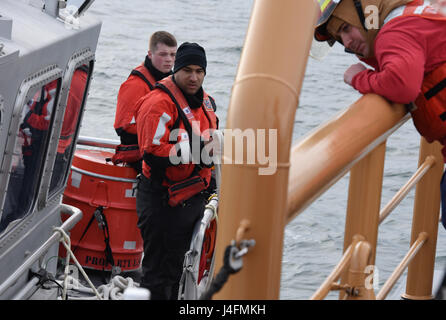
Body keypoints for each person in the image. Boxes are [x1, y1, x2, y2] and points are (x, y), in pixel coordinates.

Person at [314, 0, 446, 227]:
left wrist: (358, 77)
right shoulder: (413, 14)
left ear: (365, 10)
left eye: (347, 28)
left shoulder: (393, 31)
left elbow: (401, 85)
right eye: (339, 38)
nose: (347, 42)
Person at [135, 42, 218, 300]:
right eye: (187, 71)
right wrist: (197, 152)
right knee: (158, 276)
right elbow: (151, 152)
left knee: (180, 272)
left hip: (193, 197)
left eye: (199, 71)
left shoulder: (206, 102)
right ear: (176, 71)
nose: (194, 77)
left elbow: (215, 138)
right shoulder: (158, 103)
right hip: (163, 201)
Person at [112, 31, 177, 173]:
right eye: (163, 54)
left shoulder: (173, 82)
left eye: (172, 55)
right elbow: (123, 126)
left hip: (165, 148)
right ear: (150, 54)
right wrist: (164, 131)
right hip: (141, 156)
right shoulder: (135, 85)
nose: (169, 60)